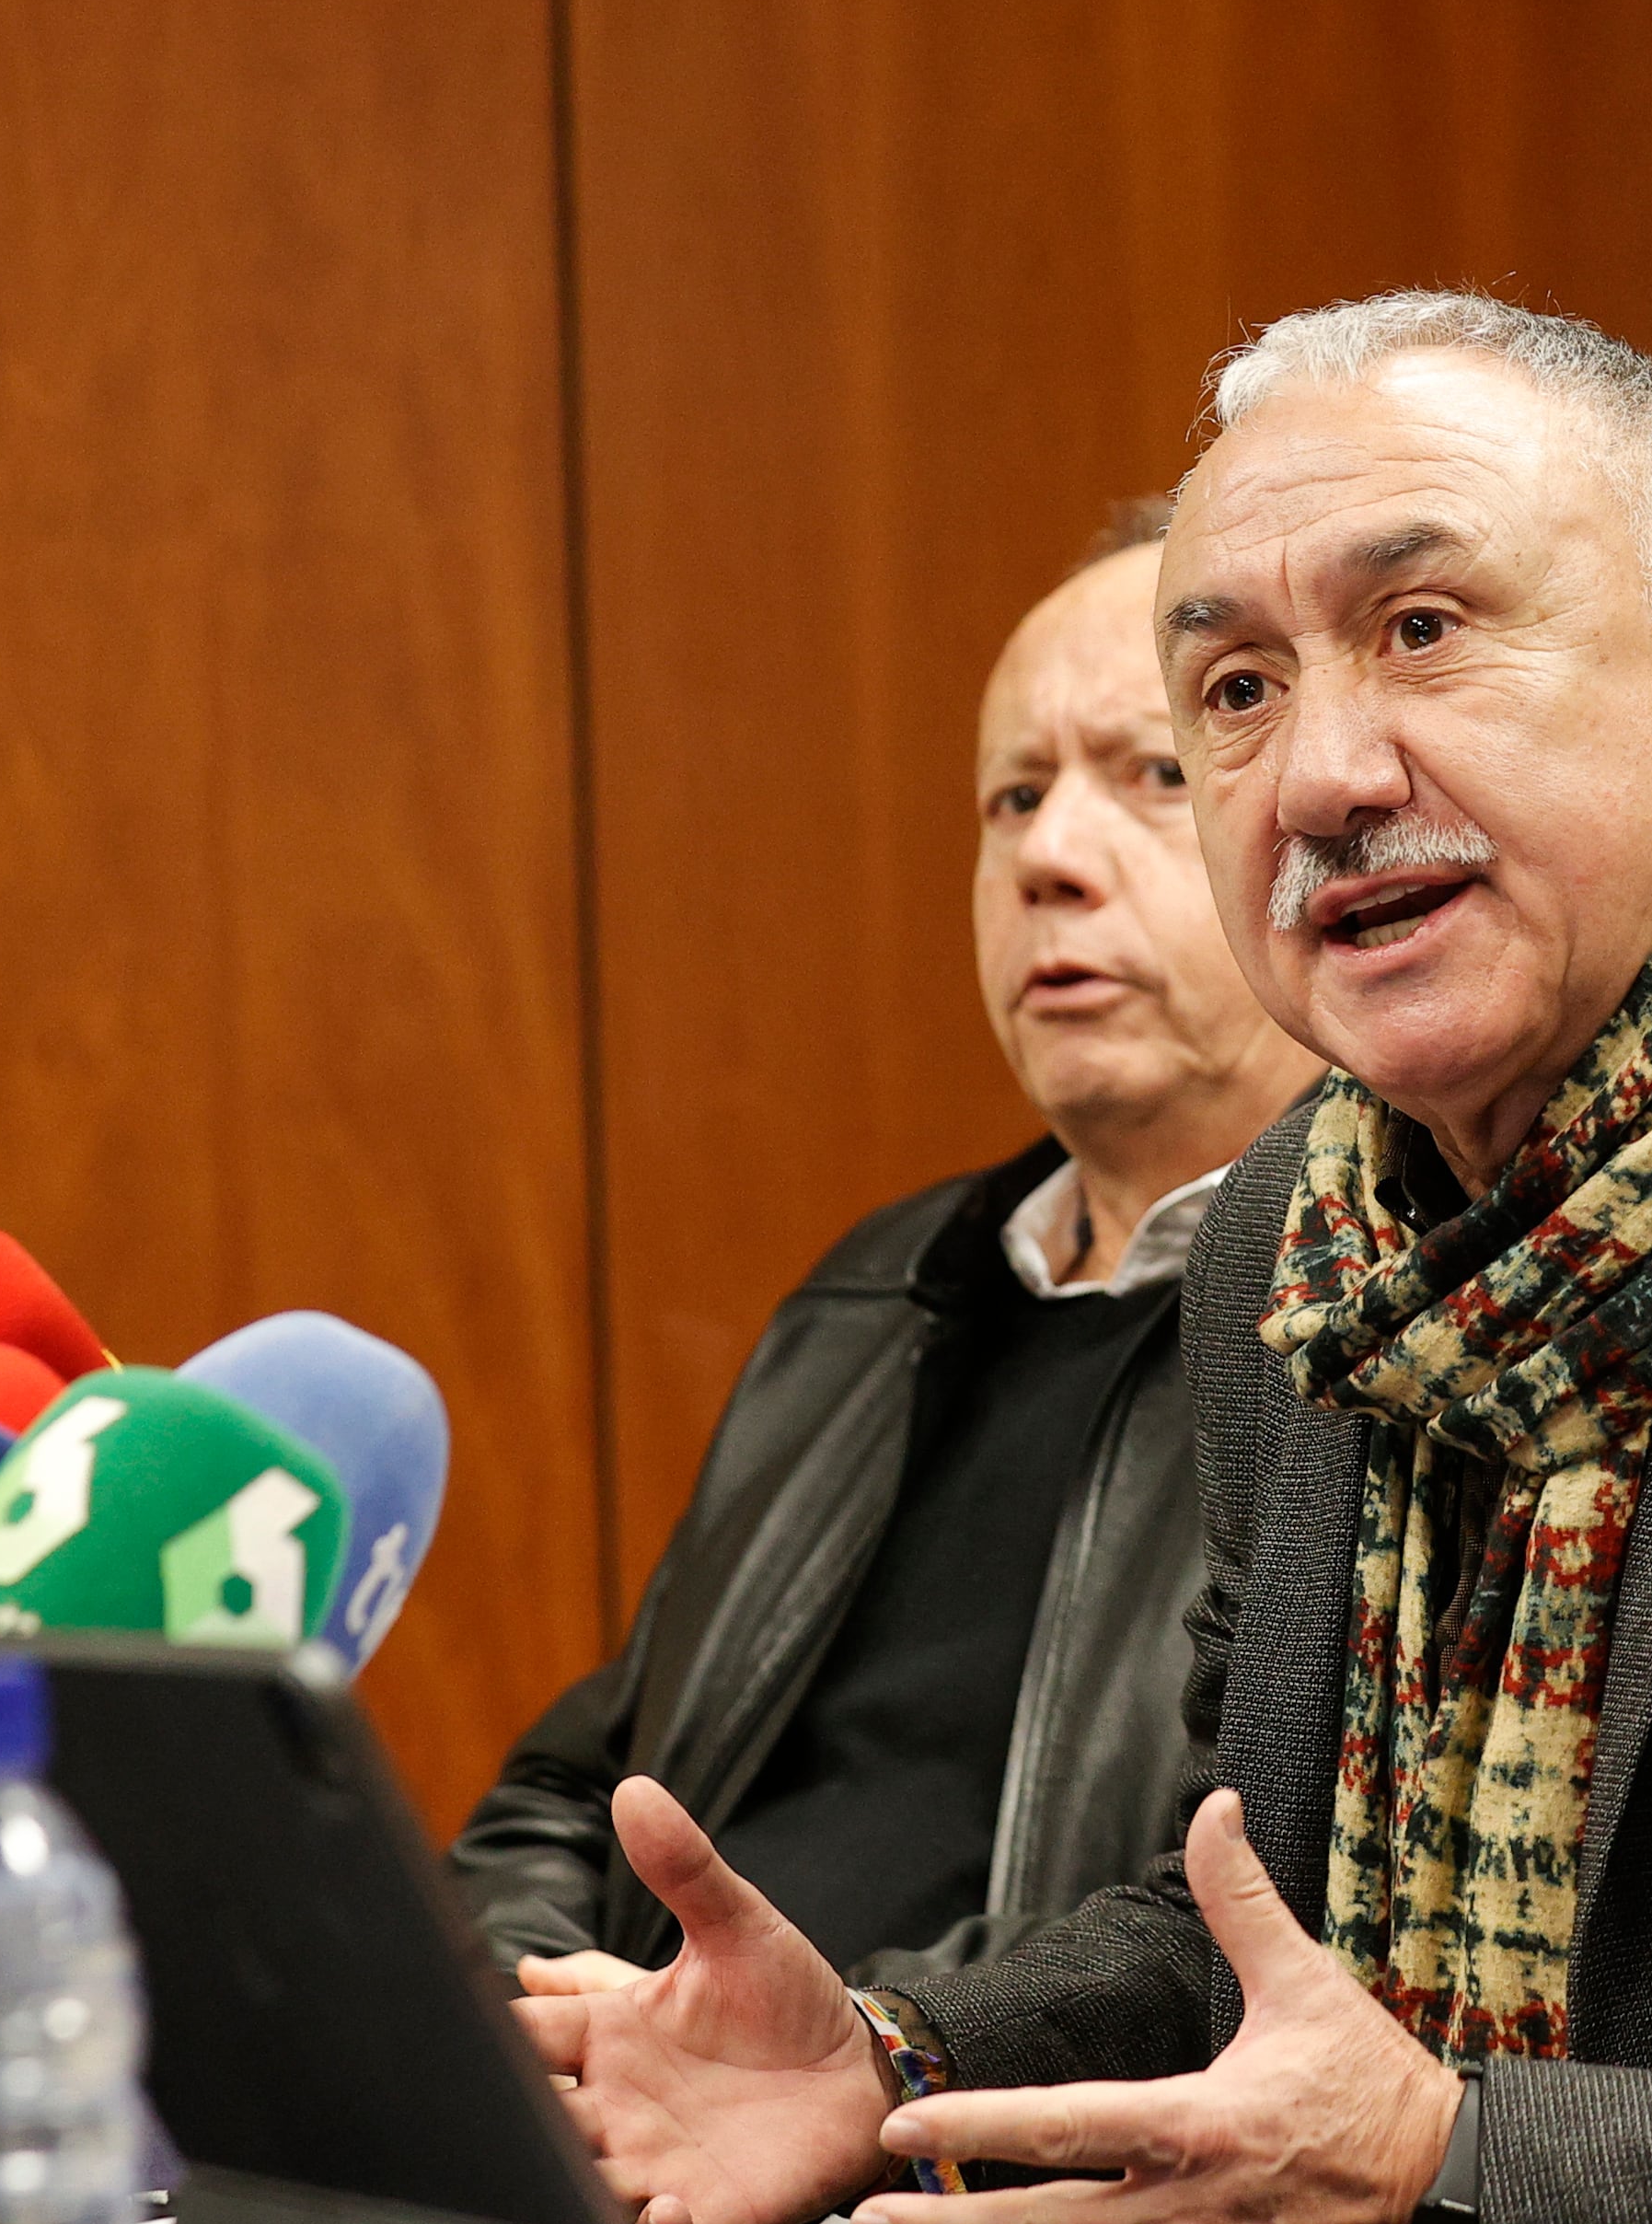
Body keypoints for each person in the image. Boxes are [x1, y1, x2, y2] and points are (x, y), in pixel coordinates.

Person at [517, 293, 1652, 2224]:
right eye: (1236, 689)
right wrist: (887, 2058)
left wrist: (1457, 2167)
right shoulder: (1309, 1233)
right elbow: (1251, 1913)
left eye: (1427, 628)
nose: (1324, 773)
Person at [454, 500, 1313, 1989]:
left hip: (971, 2169)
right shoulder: (884, 1290)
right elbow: (572, 1790)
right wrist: (543, 2015)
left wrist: (829, 2049)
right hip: (655, 2142)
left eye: (1151, 775)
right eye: (1012, 796)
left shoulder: (1380, 1319)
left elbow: (1245, 1914)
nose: (1049, 852)